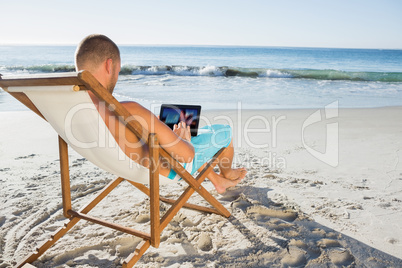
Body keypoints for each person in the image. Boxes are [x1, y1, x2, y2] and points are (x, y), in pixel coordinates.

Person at [75, 34, 246, 193]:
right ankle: (228, 172)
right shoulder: (131, 111)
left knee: (167, 135)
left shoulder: (73, 110)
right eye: (118, 71)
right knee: (224, 132)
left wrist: (153, 127)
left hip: (120, 165)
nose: (117, 76)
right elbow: (187, 156)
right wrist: (183, 140)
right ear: (109, 65)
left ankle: (216, 180)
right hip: (164, 171)